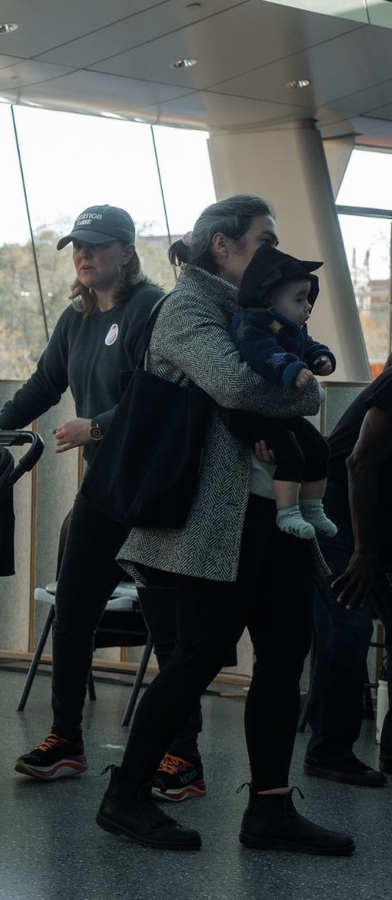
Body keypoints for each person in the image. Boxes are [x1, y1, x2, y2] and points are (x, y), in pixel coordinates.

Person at [97, 195, 354, 855]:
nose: (273, 248)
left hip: (273, 511)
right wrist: (307, 393)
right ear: (223, 245)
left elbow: (259, 385)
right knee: (199, 658)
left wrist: (292, 394)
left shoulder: (254, 311)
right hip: (216, 519)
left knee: (283, 655)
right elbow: (241, 387)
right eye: (264, 237)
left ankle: (269, 809)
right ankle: (125, 796)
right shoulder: (188, 309)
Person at [0, 205, 204, 799]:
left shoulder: (154, 309)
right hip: (105, 492)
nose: (85, 255)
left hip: (154, 493)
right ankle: (65, 740)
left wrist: (95, 426)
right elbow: (45, 383)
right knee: (73, 612)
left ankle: (184, 755)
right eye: (78, 246)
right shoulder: (76, 318)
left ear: (127, 251)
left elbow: (167, 393)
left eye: (97, 246)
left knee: (167, 629)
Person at [303, 359, 392, 786]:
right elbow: (359, 464)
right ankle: (329, 753)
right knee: (350, 622)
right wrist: (364, 551)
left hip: (374, 518)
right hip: (335, 511)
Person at [225, 243, 337, 539]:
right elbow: (264, 354)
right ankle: (287, 513)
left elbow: (309, 346)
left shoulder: (291, 326)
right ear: (269, 297)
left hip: (278, 411)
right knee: (291, 454)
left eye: (308, 299)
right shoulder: (249, 323)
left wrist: (320, 358)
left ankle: (313, 507)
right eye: (300, 299)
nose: (308, 306)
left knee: (319, 448)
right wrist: (293, 369)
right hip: (251, 414)